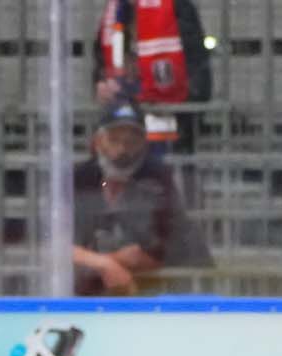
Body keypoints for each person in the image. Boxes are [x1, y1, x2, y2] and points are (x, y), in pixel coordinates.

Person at [72, 100, 209, 296]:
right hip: (92, 292)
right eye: (114, 139)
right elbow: (56, 245)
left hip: (160, 293)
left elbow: (158, 253)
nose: (122, 149)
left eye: (131, 141)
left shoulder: (158, 180)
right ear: (98, 141)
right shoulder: (80, 179)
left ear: (144, 143)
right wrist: (106, 264)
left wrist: (99, 262)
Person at [93, 0, 212, 154]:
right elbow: (100, 62)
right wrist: (101, 83)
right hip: (123, 124)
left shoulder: (177, 6)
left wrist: (185, 111)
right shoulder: (114, 12)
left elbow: (197, 68)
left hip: (172, 118)